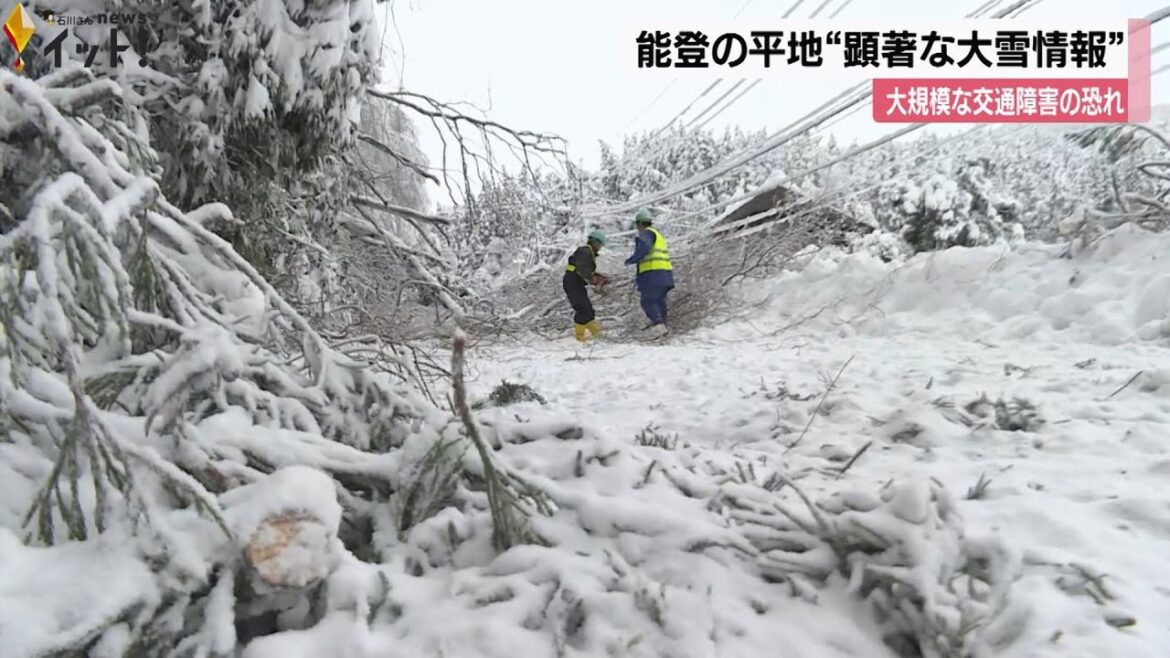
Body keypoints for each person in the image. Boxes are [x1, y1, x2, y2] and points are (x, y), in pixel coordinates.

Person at [624, 209, 674, 336]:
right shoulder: (658, 235)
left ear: (640, 223)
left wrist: (632, 259)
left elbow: (644, 248)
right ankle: (664, 327)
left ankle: (659, 326)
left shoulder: (646, 234)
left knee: (648, 301)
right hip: (665, 275)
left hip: (653, 275)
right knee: (659, 301)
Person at [563, 229, 610, 342]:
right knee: (583, 309)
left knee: (588, 309)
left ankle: (596, 333)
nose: (600, 247)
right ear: (595, 242)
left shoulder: (588, 252)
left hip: (576, 283)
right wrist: (593, 279)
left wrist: (599, 277)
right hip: (572, 282)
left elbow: (585, 270)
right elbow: (582, 269)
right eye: (600, 244)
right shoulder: (585, 251)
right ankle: (579, 336)